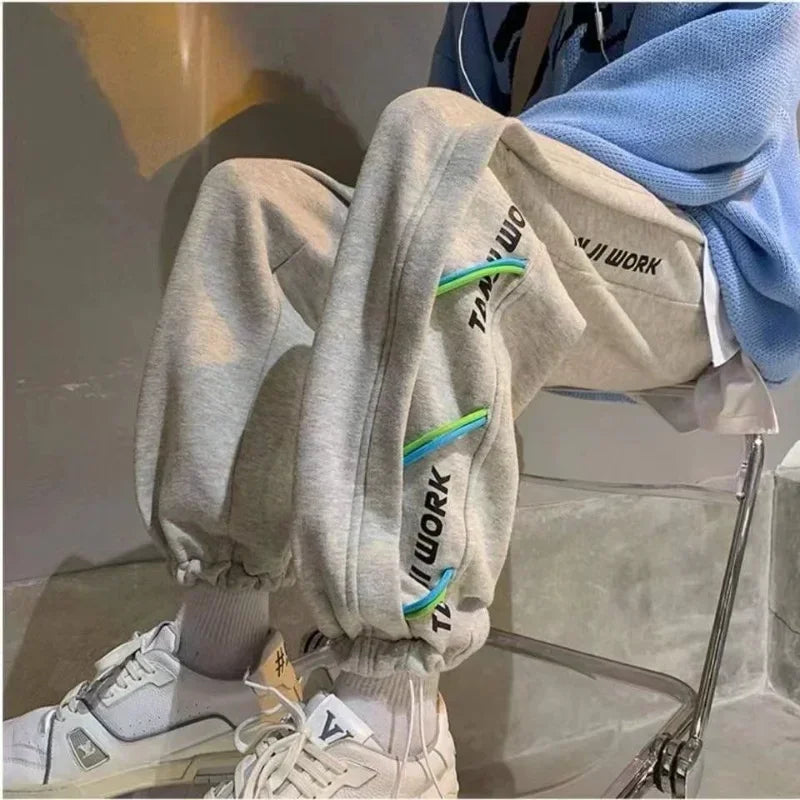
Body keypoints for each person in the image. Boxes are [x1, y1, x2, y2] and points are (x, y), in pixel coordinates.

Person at [5, 4, 799, 798]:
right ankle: (212, 671)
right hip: (529, 234)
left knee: (441, 143)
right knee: (254, 202)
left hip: (701, 255)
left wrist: (457, 184)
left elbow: (730, 105)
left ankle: (391, 730)